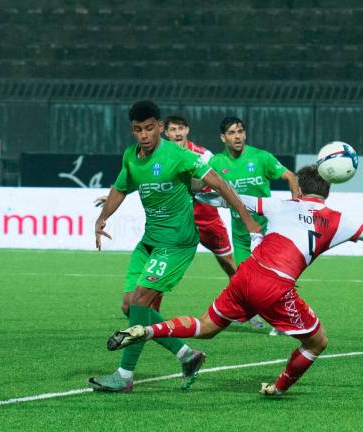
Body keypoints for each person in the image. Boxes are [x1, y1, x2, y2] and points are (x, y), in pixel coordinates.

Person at [104, 165, 363, 396]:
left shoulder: (281, 205)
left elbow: (231, 199)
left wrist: (198, 193)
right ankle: (278, 387)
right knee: (317, 342)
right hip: (276, 285)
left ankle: (148, 330)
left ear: (300, 190)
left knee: (205, 327)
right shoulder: (337, 220)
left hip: (247, 272)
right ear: (327, 193)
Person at [88, 100, 261, 393]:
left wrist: (247, 219)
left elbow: (219, 184)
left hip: (177, 244)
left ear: (159, 127)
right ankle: (187, 355)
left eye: (149, 128)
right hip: (150, 242)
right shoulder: (131, 156)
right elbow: (120, 188)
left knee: (141, 301)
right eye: (138, 130)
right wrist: (102, 218)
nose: (144, 135)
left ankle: (124, 376)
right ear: (133, 130)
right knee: (130, 305)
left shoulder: (179, 156)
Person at [209, 116, 301, 265]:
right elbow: (197, 186)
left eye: (240, 131)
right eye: (232, 133)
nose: (237, 136)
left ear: (245, 134)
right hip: (241, 236)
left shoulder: (261, 157)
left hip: (267, 231)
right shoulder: (216, 162)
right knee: (244, 282)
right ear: (223, 138)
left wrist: (297, 207)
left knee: (270, 281)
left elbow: (291, 177)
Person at [164, 115, 236, 277]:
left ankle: (246, 298)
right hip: (177, 222)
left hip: (207, 221)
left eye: (181, 129)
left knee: (228, 264)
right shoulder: (160, 156)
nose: (177, 133)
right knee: (163, 268)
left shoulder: (203, 155)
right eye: (173, 130)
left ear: (187, 130)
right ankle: (150, 303)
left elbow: (221, 178)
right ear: (166, 133)